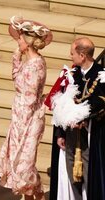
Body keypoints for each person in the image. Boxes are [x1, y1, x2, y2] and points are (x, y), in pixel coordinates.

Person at [0, 16, 53, 200]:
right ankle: (36, 196)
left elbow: (30, 97)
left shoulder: (36, 64)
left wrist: (22, 124)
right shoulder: (29, 60)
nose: (17, 41)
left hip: (29, 119)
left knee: (24, 166)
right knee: (23, 164)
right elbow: (16, 78)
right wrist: (17, 55)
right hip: (20, 117)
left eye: (20, 38)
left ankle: (38, 195)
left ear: (27, 42)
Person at [45, 37, 105, 200]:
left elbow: (100, 102)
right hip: (70, 134)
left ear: (83, 55)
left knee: (90, 176)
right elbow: (61, 104)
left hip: (90, 135)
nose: (70, 56)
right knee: (71, 174)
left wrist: (83, 118)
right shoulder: (71, 74)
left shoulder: (101, 75)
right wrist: (60, 133)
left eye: (73, 53)